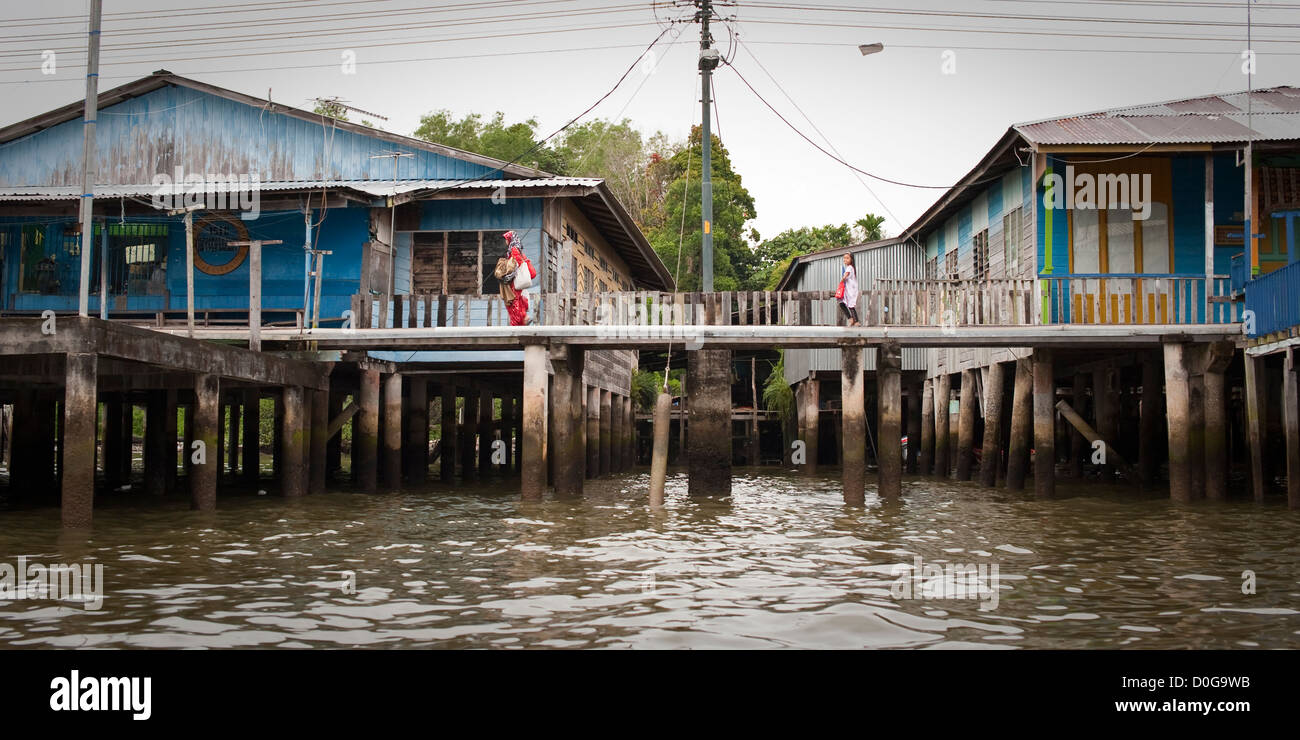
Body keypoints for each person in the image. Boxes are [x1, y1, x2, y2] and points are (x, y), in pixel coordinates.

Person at [837, 252, 860, 326]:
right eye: (844, 258)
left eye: (847, 258)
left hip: (850, 290)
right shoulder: (850, 268)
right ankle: (852, 319)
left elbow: (845, 276)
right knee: (843, 303)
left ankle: (855, 321)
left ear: (851, 259)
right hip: (849, 289)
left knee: (849, 304)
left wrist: (841, 282)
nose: (845, 260)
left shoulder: (850, 267)